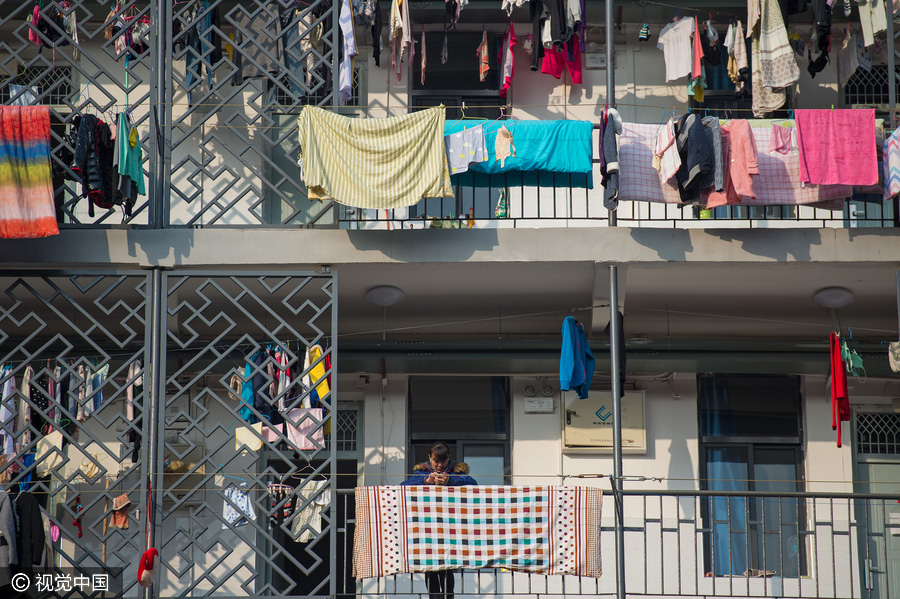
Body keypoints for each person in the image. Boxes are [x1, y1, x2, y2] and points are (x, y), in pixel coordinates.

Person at [401, 442, 477, 599]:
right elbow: (403, 486)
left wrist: (450, 481)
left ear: (448, 458)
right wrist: (425, 482)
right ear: (429, 458)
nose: (440, 465)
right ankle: (433, 597)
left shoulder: (456, 472)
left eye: (443, 461)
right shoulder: (421, 473)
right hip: (427, 527)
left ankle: (449, 596)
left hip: (450, 528)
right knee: (430, 565)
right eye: (436, 461)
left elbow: (473, 484)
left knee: (447, 565)